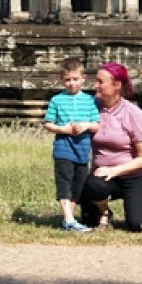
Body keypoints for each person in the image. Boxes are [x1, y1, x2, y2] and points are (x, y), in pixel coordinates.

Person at [79, 62, 142, 232]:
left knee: (138, 225)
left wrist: (114, 170)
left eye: (101, 82)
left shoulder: (133, 113)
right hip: (103, 177)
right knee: (89, 218)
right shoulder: (91, 106)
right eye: (96, 81)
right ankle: (104, 212)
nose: (95, 85)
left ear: (117, 85)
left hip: (135, 177)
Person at [43, 57, 100, 232]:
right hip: (63, 148)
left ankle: (70, 218)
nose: (71, 83)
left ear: (83, 78)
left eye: (75, 79)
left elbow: (96, 124)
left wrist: (86, 125)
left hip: (82, 150)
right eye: (67, 80)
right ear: (62, 80)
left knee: (79, 184)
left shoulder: (90, 101)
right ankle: (68, 219)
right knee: (64, 183)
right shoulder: (57, 100)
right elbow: (48, 123)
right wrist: (64, 130)